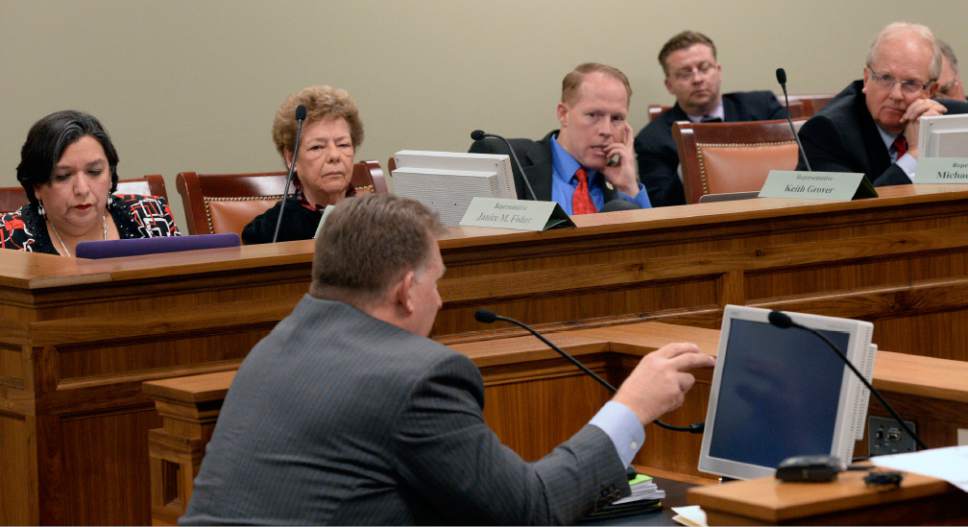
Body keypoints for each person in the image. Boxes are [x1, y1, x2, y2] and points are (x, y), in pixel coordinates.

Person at [181, 193, 713, 525]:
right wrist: (632, 408)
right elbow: (531, 511)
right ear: (408, 291)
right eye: (438, 281)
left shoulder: (278, 344)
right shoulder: (416, 378)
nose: (442, 299)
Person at [797, 23, 968, 186]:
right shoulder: (826, 132)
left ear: (930, 91)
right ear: (866, 79)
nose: (896, 95)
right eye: (885, 78)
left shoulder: (957, 122)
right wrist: (915, 156)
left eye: (910, 83)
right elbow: (856, 210)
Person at [470, 63, 652, 215]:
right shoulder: (508, 160)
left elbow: (653, 251)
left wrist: (628, 187)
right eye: (593, 115)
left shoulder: (620, 186)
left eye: (617, 119)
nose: (606, 130)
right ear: (564, 114)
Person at [634, 30, 787, 207]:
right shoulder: (652, 140)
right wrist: (690, 162)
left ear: (718, 70)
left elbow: (800, 164)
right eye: (685, 73)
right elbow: (661, 205)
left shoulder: (763, 108)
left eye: (704, 68)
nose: (697, 79)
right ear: (669, 85)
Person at [0, 110, 178, 255]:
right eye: (63, 176)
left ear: (110, 176)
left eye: (94, 172)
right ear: (37, 186)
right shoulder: (7, 238)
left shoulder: (152, 217)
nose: (82, 189)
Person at [242, 85, 364, 244]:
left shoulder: (376, 219)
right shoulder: (269, 231)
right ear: (291, 159)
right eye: (317, 147)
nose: (334, 156)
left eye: (343, 145)